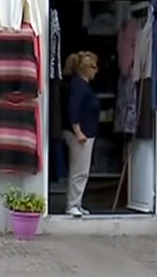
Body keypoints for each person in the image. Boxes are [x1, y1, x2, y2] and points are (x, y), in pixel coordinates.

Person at [62, 51, 100, 217]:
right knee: (79, 171)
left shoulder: (80, 85)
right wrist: (78, 131)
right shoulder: (80, 86)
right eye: (94, 67)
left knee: (81, 171)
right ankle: (72, 204)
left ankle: (76, 203)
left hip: (84, 133)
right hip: (81, 135)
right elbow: (73, 108)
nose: (96, 71)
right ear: (87, 69)